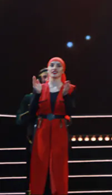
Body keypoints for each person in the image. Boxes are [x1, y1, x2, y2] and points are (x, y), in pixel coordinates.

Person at [29, 57, 76, 195]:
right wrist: (36, 94)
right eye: (52, 65)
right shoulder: (40, 88)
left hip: (59, 129)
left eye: (58, 66)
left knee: (58, 164)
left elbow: (71, 112)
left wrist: (66, 95)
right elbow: (32, 112)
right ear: (48, 69)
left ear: (63, 70)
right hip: (42, 129)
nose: (55, 68)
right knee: (39, 162)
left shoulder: (69, 89)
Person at [16, 68, 48, 194]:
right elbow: (19, 119)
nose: (47, 79)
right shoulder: (29, 98)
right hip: (34, 140)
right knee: (33, 171)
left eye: (49, 76)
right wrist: (33, 111)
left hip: (52, 140)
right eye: (44, 77)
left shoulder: (57, 96)